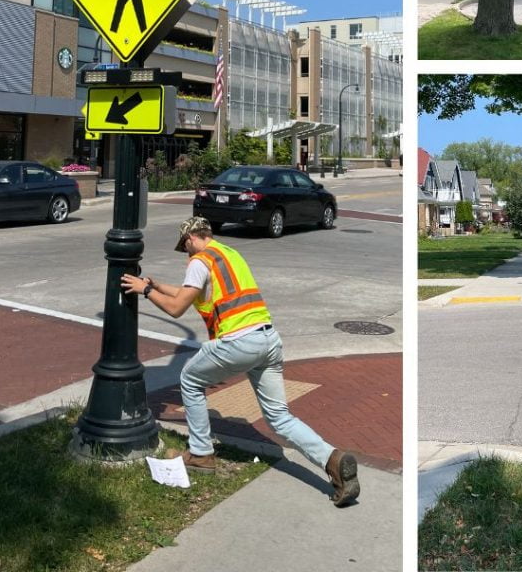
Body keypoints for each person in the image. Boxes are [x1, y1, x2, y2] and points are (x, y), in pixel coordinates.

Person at [121, 216, 359, 506]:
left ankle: (200, 454)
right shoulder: (229, 255)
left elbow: (176, 308)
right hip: (268, 341)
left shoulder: (199, 261)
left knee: (190, 380)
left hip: (238, 342)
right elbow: (189, 294)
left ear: (190, 239)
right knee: (279, 418)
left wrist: (144, 290)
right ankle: (333, 460)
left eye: (185, 248)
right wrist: (156, 284)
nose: (186, 253)